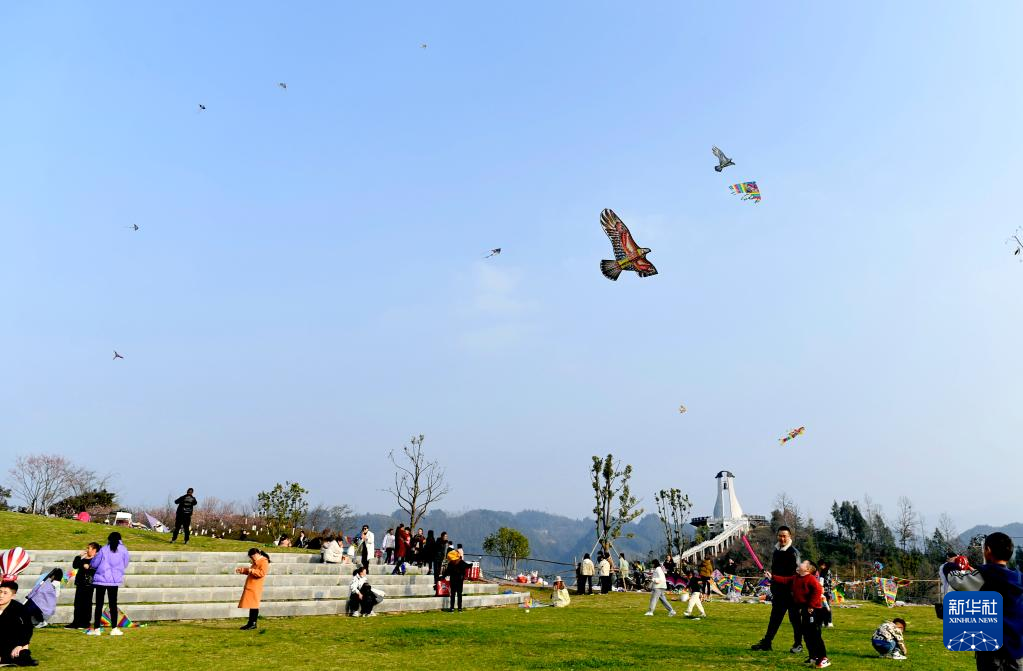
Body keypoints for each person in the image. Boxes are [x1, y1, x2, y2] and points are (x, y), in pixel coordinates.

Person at [947, 531, 1023, 670]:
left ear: (987, 550)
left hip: (991, 650)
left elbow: (956, 580)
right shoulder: (1019, 578)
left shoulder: (985, 575)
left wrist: (951, 565)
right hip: (1016, 650)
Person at [751, 526, 803, 653]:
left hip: (792, 593)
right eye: (780, 536)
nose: (782, 538)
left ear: (789, 537)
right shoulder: (776, 552)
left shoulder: (793, 553)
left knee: (795, 620)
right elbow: (777, 572)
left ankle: (798, 645)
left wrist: (775, 578)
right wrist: (771, 578)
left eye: (784, 536)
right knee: (774, 619)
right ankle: (767, 643)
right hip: (779, 592)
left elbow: (795, 576)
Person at [87, 532, 130, 636]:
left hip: (101, 580)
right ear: (120, 539)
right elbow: (125, 564)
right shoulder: (124, 549)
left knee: (99, 605)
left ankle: (97, 629)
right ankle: (114, 628)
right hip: (114, 581)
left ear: (109, 539)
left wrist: (91, 563)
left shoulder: (104, 549)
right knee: (113, 605)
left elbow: (95, 563)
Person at [793, 560, 829, 668]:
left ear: (807, 569)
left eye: (804, 563)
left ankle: (823, 658)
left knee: (815, 635)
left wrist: (811, 606)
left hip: (814, 610)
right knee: (807, 635)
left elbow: (818, 590)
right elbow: (785, 580)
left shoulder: (811, 579)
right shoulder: (797, 578)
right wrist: (772, 577)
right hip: (805, 610)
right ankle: (813, 657)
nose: (801, 563)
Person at [0, 581, 37, 667]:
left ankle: (6, 659)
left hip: (11, 643)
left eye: (5, 593)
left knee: (23, 656)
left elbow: (28, 628)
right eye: (0, 592)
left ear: (13, 596)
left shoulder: (20, 609)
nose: (1, 595)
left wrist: (20, 644)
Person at [66, 542, 99, 629]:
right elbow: (75, 565)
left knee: (86, 604)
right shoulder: (84, 558)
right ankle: (76, 622)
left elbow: (92, 568)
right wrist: (79, 556)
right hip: (80, 583)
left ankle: (85, 623)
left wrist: (87, 566)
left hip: (89, 585)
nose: (87, 550)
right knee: (77, 604)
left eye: (89, 548)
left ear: (94, 550)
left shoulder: (96, 560)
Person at [236, 548, 271, 630]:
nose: (252, 559)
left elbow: (261, 573)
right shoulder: (257, 561)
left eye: (252, 557)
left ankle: (253, 623)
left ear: (256, 554)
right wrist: (243, 570)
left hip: (255, 586)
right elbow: (252, 571)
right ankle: (250, 623)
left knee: (254, 605)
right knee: (252, 605)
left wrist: (251, 570)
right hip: (251, 586)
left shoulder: (263, 561)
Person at [818, 560, 834, 628]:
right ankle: (827, 622)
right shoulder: (829, 571)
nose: (820, 567)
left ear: (823, 565)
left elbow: (821, 583)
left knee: (824, 607)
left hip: (824, 592)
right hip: (828, 592)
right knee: (827, 607)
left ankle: (827, 622)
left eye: (820, 565)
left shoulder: (823, 572)